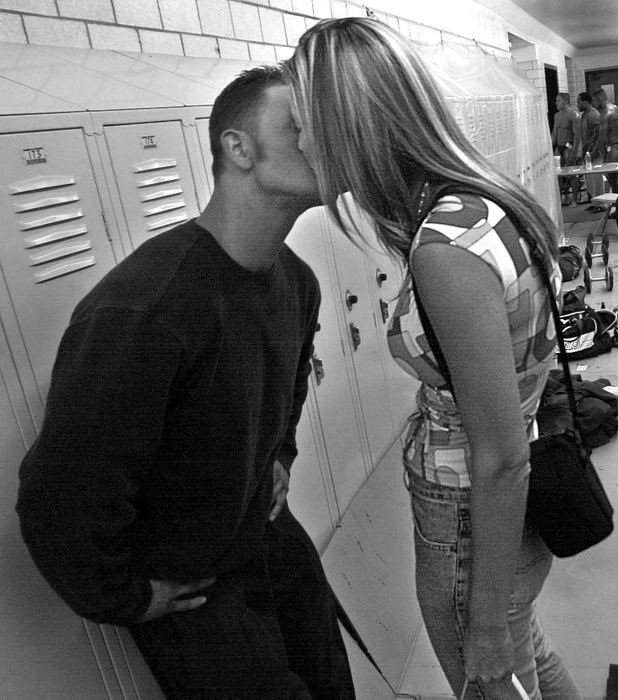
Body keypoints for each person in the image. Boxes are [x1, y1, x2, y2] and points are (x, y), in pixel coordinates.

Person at [16, 66, 356, 699]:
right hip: (194, 594)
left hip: (270, 541)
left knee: (333, 687)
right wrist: (127, 597)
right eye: (302, 129)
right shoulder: (146, 310)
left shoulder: (296, 280)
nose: (326, 145)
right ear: (239, 148)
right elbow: (58, 495)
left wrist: (279, 454)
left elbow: (287, 389)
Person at [283, 17, 582, 700]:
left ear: (348, 124)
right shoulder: (481, 203)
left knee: (500, 665)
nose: (299, 142)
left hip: (468, 519)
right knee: (527, 648)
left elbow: (500, 457)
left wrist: (479, 624)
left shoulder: (443, 251)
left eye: (306, 122)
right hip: (494, 508)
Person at [592, 87, 618, 193]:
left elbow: (602, 136)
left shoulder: (605, 113)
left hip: (615, 147)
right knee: (612, 177)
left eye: (594, 100)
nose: (593, 104)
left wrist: (593, 153)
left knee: (610, 177)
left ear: (600, 98)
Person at [574, 91, 602, 204]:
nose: (577, 105)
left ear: (585, 102)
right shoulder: (585, 114)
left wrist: (591, 151)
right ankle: (595, 203)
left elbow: (597, 135)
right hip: (587, 154)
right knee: (589, 181)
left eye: (578, 102)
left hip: (595, 153)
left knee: (596, 180)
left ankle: (601, 204)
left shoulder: (593, 114)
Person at [552, 92, 579, 205]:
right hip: (559, 146)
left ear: (565, 101)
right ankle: (560, 199)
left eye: (558, 101)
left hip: (569, 146)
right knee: (557, 174)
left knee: (571, 173)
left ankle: (574, 198)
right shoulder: (557, 116)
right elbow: (555, 133)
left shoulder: (573, 115)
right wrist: (550, 148)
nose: (556, 103)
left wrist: (574, 152)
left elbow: (577, 135)